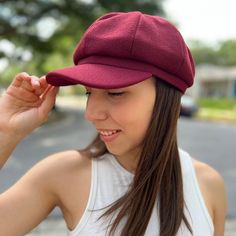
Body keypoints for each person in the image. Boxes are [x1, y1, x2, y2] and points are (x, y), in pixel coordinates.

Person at [0, 11, 227, 236]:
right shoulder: (62, 174)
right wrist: (6, 131)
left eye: (115, 93)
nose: (91, 114)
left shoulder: (208, 185)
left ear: (167, 99)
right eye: (89, 93)